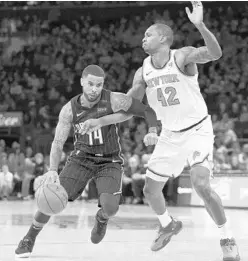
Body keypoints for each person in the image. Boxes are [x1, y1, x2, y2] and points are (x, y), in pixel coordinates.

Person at [79, 2, 240, 260]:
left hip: (197, 129)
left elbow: (215, 53)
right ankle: (167, 225)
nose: (143, 39)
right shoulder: (142, 71)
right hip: (170, 135)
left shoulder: (182, 56)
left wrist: (200, 25)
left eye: (148, 35)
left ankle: (227, 238)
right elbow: (129, 108)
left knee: (201, 185)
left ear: (163, 38)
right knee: (150, 190)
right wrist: (99, 121)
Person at [15, 64, 158, 258]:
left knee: (111, 207)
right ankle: (29, 237)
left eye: (99, 85)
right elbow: (57, 143)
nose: (94, 89)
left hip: (109, 160)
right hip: (81, 159)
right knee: (49, 197)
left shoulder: (114, 99)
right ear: (82, 82)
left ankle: (101, 218)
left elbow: (147, 111)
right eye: (90, 84)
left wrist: (151, 130)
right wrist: (52, 169)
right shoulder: (69, 110)